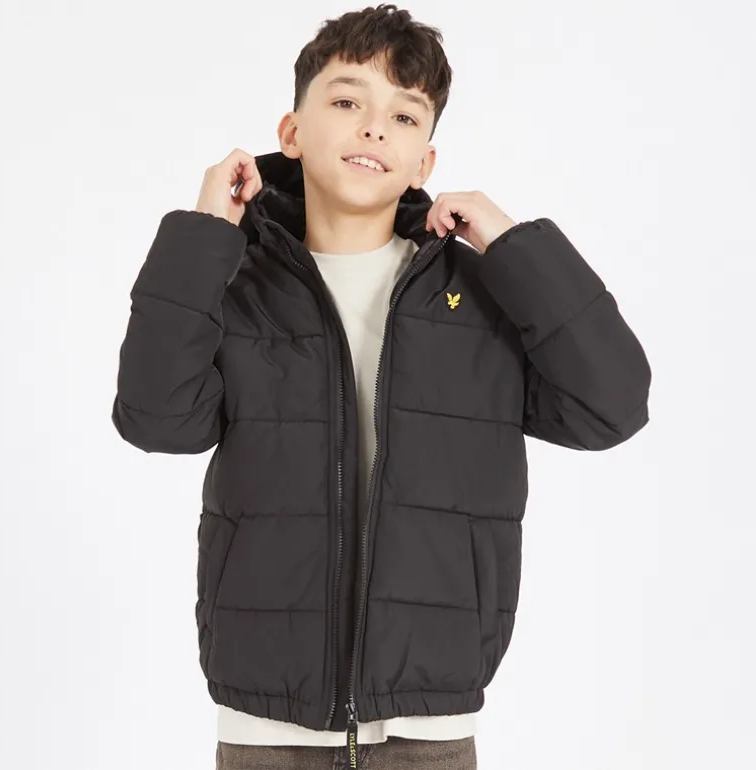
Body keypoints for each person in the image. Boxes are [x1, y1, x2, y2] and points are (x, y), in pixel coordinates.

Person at [111, 4, 652, 768]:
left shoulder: (478, 298)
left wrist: (512, 244)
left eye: (404, 115)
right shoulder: (237, 287)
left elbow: (613, 405)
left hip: (429, 722)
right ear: (291, 133)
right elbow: (156, 418)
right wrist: (204, 232)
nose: (374, 129)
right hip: (268, 726)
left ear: (424, 162)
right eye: (346, 101)